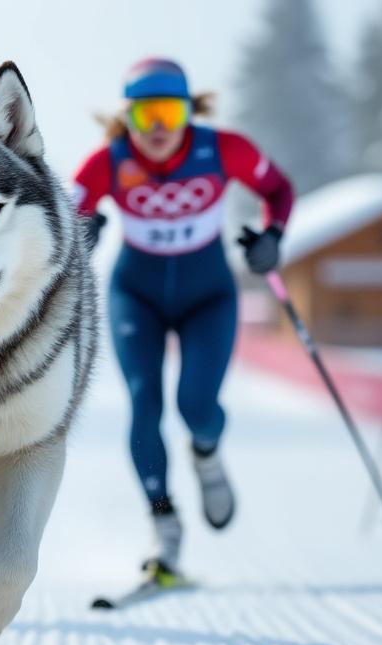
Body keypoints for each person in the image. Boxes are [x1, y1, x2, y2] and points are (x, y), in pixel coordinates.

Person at [72, 58, 293, 580]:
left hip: (207, 295)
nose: (158, 130)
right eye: (145, 116)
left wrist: (272, 239)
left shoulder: (223, 149)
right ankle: (164, 526)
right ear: (128, 117)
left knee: (195, 404)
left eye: (170, 113)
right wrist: (82, 231)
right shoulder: (109, 160)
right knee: (145, 401)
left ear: (189, 112)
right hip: (137, 295)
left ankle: (208, 454)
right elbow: (64, 212)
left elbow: (278, 191)